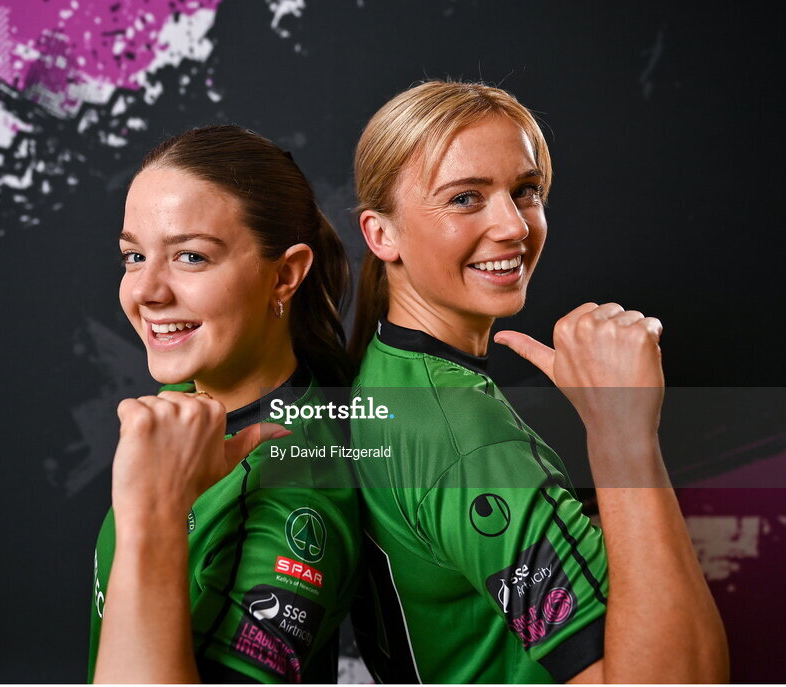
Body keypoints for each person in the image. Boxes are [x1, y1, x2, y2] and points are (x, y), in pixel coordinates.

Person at [347, 81, 728, 683]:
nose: (514, 227)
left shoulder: (388, 375)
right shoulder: (466, 434)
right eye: (466, 198)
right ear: (381, 234)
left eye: (526, 192)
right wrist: (623, 434)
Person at [87, 125, 359, 683]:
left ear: (284, 275)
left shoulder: (296, 488)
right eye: (133, 256)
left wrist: (151, 516)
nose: (145, 291)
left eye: (189, 257)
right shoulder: (188, 400)